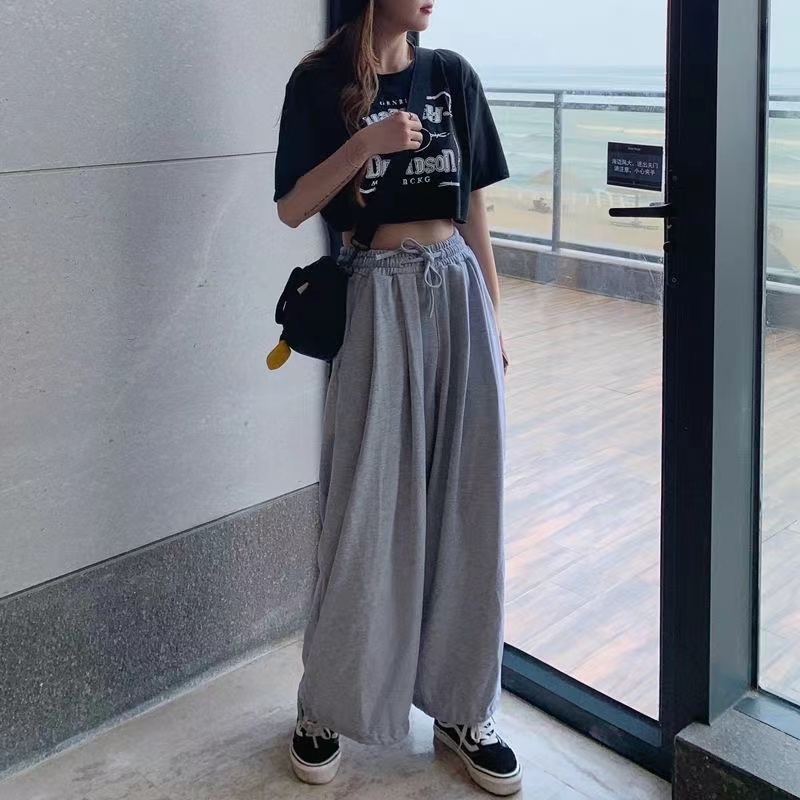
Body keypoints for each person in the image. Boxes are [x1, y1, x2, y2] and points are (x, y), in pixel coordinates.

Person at [274, 1, 520, 795]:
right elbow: (292, 205)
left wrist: (493, 315)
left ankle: (462, 707)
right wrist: (366, 144)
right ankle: (326, 704)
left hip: (457, 296)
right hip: (376, 297)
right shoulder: (318, 82)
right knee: (364, 507)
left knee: (467, 506)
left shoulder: (452, 77)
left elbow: (473, 204)